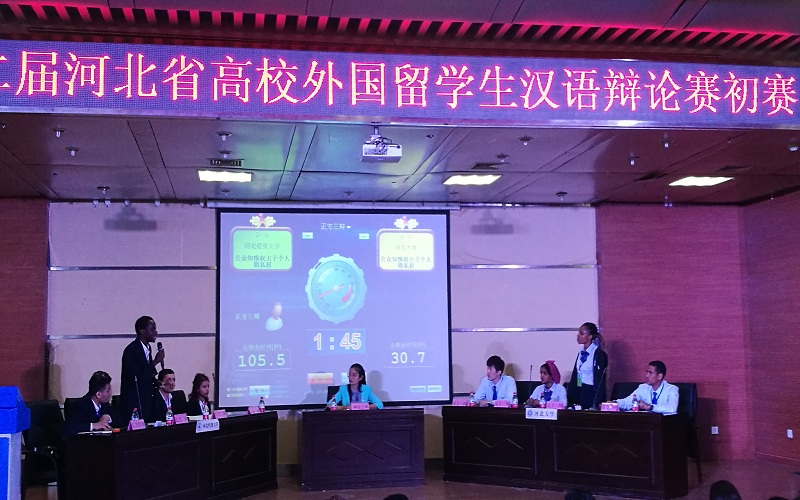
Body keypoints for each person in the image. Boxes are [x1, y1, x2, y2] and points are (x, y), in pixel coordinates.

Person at [120, 315, 165, 424]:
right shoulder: (131, 350)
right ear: (142, 331)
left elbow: (146, 374)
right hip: (135, 403)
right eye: (152, 329)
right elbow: (135, 377)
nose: (156, 332)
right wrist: (155, 362)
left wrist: (156, 382)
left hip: (147, 401)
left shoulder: (147, 348)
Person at [64, 371, 121, 435]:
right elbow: (69, 429)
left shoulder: (105, 404)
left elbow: (120, 420)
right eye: (108, 391)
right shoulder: (80, 406)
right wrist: (93, 426)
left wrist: (108, 417)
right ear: (98, 394)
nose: (110, 393)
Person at [567, 322, 608, 409]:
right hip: (580, 390)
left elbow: (600, 380)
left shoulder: (598, 354)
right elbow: (578, 373)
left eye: (581, 333)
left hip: (591, 392)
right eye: (578, 333)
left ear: (590, 336)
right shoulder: (581, 353)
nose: (578, 336)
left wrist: (599, 400)